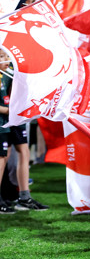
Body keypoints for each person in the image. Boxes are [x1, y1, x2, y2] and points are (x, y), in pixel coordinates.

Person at [0, 52, 48, 212]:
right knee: (3, 157)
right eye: (1, 56)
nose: (6, 59)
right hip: (4, 119)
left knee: (24, 151)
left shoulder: (12, 69)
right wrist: (10, 111)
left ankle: (24, 197)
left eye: (6, 55)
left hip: (16, 117)